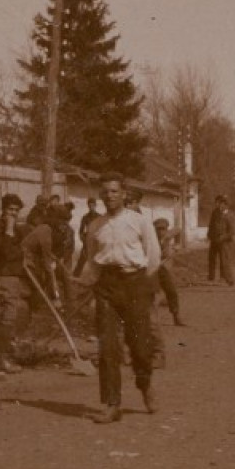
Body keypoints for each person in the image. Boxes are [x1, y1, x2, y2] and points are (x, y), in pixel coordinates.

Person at [79, 175, 162, 423]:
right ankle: (112, 404)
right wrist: (88, 283)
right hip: (107, 286)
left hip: (134, 283)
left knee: (140, 344)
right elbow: (93, 262)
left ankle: (145, 384)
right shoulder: (96, 226)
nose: (109, 196)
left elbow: (153, 256)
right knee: (108, 347)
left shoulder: (139, 222)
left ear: (124, 194)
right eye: (105, 192)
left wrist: (142, 286)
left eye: (114, 191)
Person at [0, 193, 30, 373]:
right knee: (9, 314)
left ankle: (7, 350)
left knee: (20, 310)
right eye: (10, 210)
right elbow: (5, 253)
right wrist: (9, 231)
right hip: (2, 277)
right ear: (3, 210)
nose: (13, 214)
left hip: (14, 276)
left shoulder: (16, 229)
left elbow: (22, 246)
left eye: (16, 210)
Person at [152, 218, 184, 326]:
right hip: (151, 268)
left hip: (162, 268)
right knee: (152, 295)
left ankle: (176, 315)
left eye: (163, 229)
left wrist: (177, 245)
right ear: (154, 229)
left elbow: (179, 230)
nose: (161, 232)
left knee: (171, 290)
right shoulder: (150, 239)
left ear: (166, 229)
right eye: (158, 229)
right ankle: (151, 320)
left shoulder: (168, 235)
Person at [207, 195, 235, 285]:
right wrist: (209, 235)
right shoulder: (215, 213)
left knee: (225, 260)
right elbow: (211, 225)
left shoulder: (230, 215)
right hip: (214, 239)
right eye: (218, 203)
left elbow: (233, 231)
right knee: (211, 258)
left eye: (221, 204)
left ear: (225, 205)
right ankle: (211, 277)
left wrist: (223, 237)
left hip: (225, 242)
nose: (219, 205)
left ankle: (229, 279)